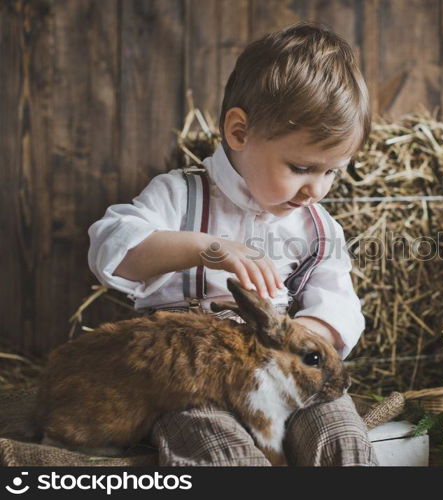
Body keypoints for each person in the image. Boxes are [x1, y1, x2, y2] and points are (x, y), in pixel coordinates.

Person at [87, 22, 377, 466]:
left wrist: (303, 344)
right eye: (301, 167)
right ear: (239, 132)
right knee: (217, 449)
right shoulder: (179, 195)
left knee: (339, 432)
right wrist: (207, 248)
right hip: (191, 376)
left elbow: (338, 305)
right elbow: (113, 249)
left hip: (282, 372)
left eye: (332, 171)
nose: (316, 189)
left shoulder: (320, 230)